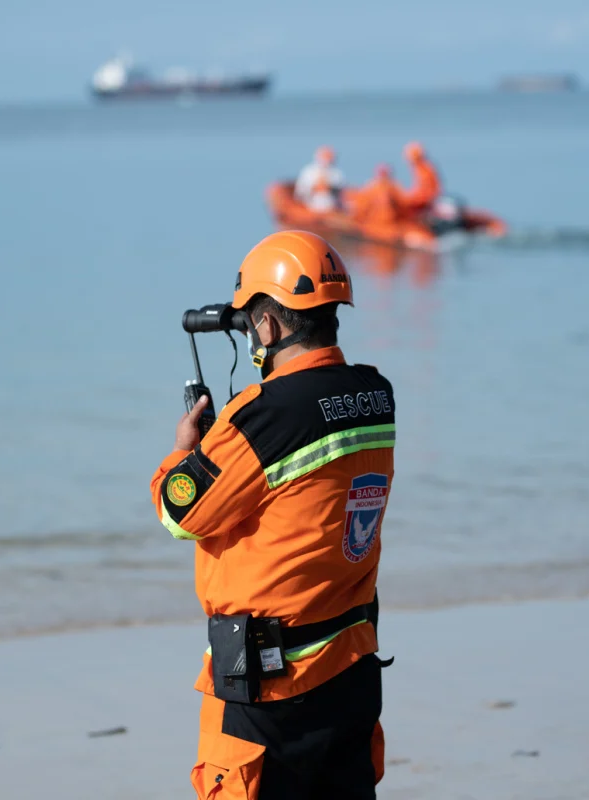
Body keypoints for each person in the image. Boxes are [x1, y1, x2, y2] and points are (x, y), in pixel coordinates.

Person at [150, 230, 396, 799]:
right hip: (351, 667)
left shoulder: (259, 419)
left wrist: (186, 452)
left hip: (270, 689)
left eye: (251, 319)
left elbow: (178, 511)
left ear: (266, 325)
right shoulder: (376, 394)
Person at [294, 145, 345, 212]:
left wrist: (329, 188)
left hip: (331, 207)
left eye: (330, 156)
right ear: (318, 156)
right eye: (325, 156)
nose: (328, 159)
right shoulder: (308, 171)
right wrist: (315, 188)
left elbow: (341, 193)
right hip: (311, 207)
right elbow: (300, 192)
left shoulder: (337, 174)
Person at [401, 141, 442, 214]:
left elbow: (427, 190)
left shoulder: (423, 168)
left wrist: (411, 199)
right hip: (425, 200)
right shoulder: (422, 167)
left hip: (425, 202)